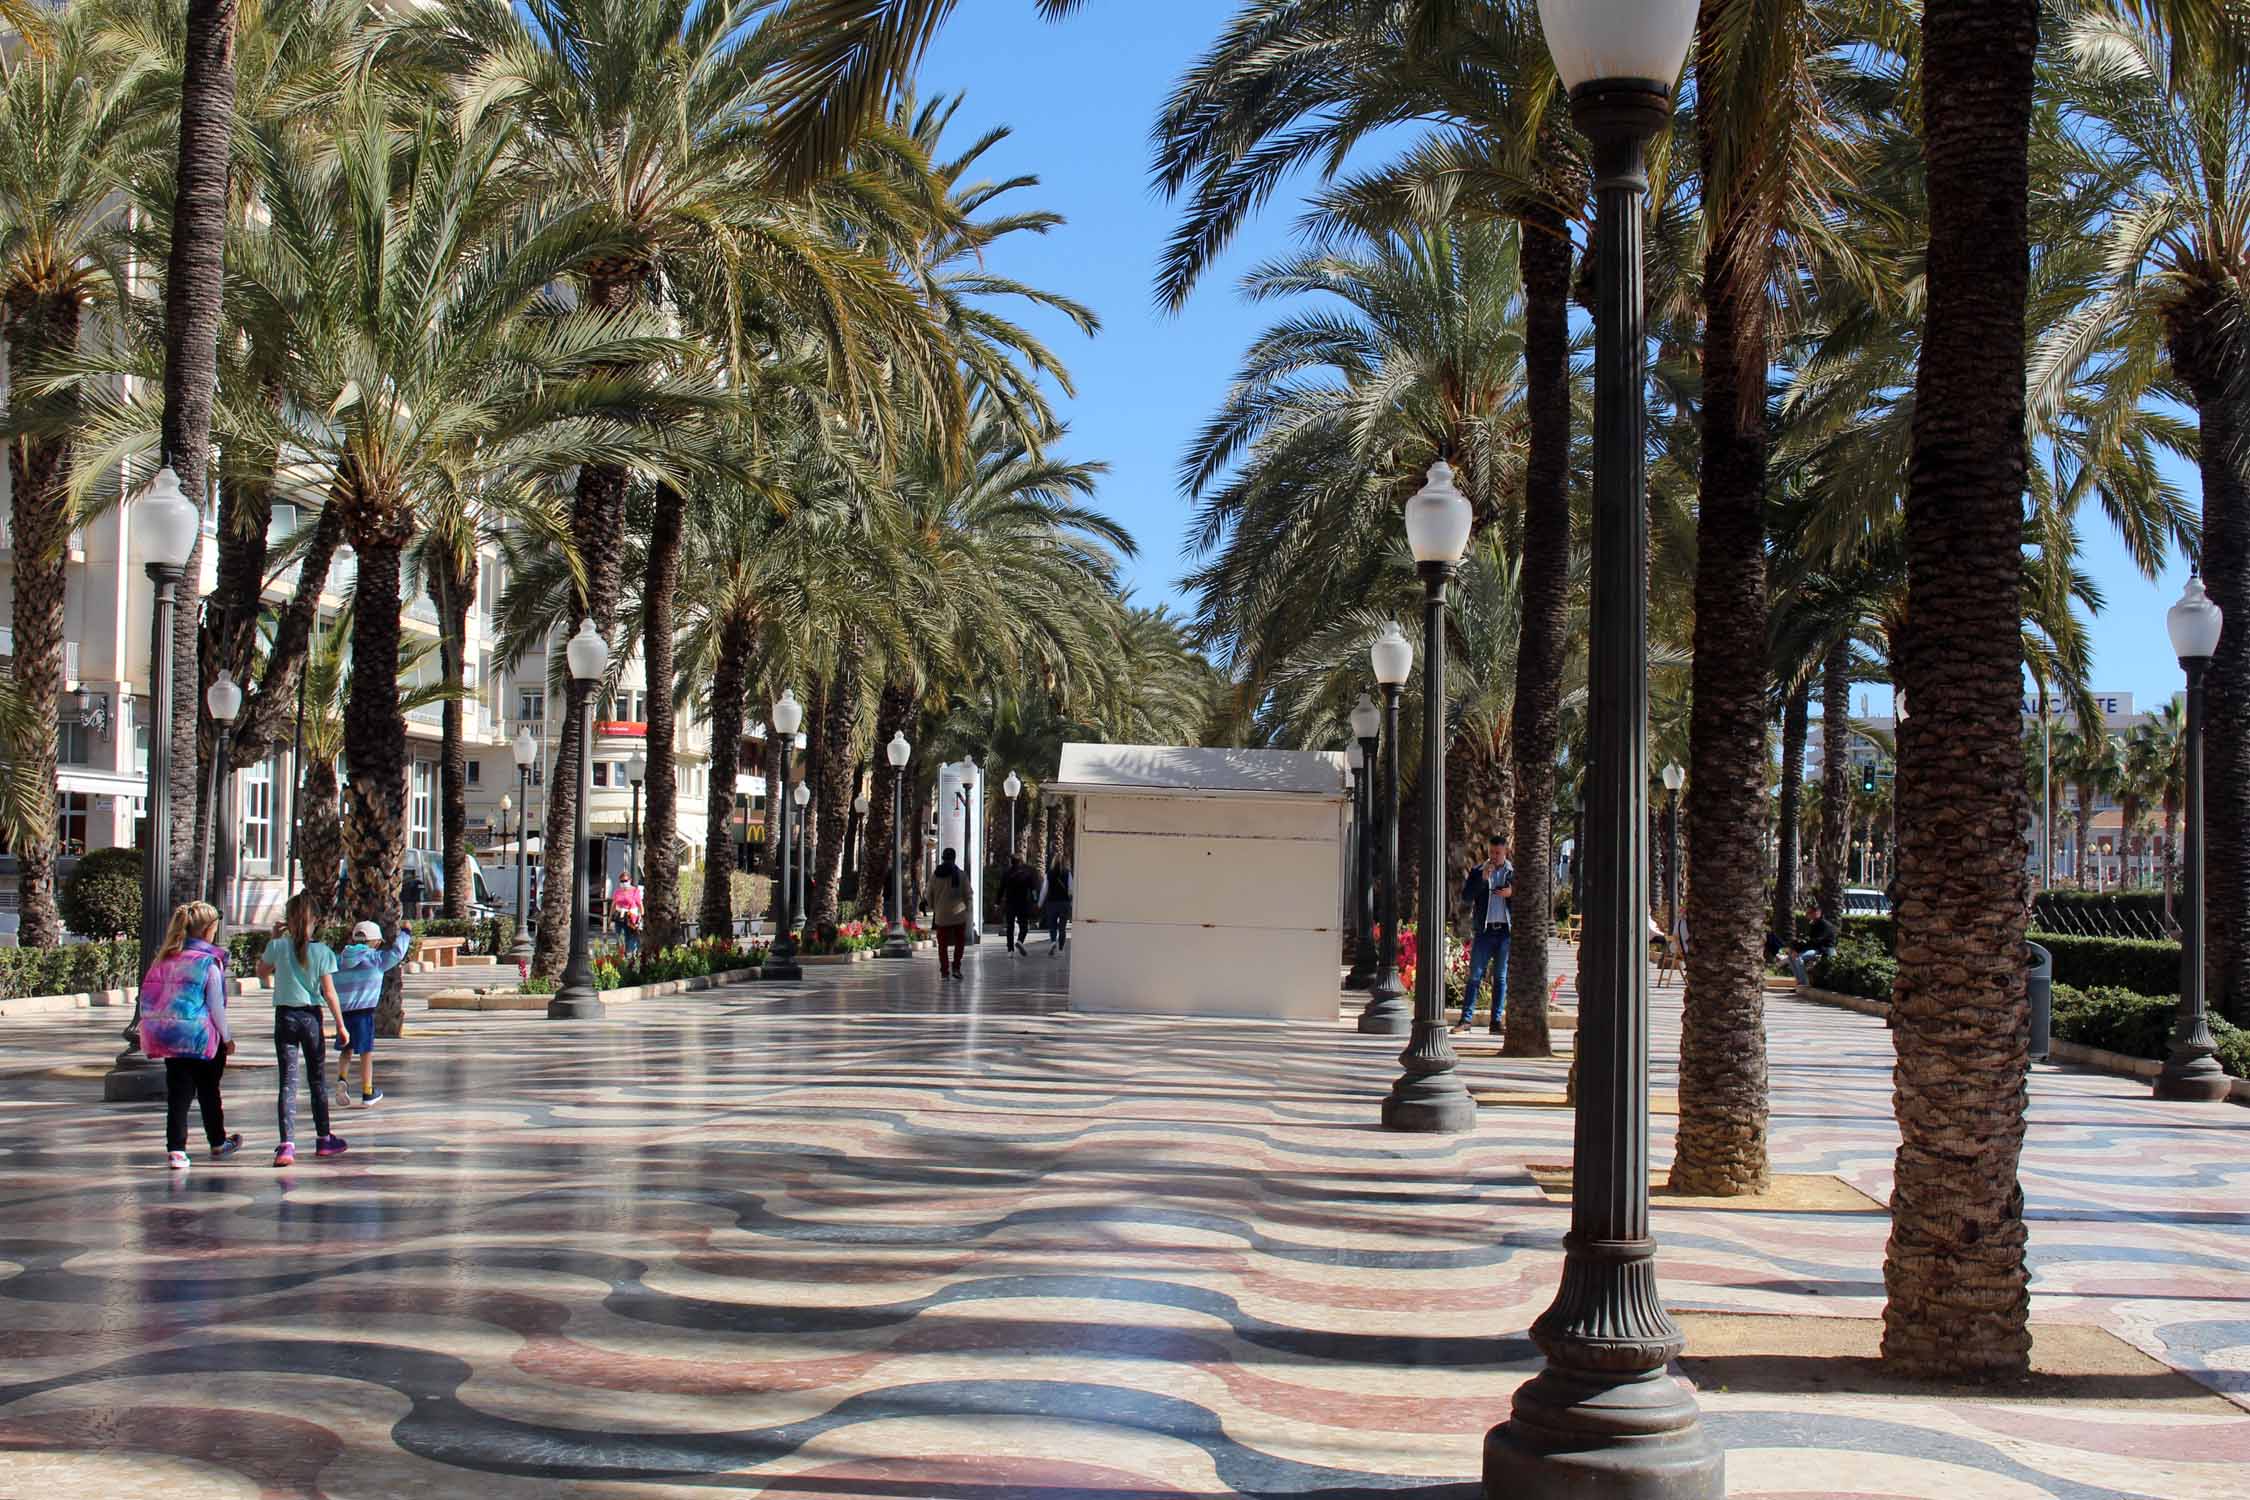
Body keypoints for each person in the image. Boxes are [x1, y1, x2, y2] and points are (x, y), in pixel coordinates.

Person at [139, 901, 243, 1170]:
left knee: (178, 1096)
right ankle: (218, 1142)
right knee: (209, 1091)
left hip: (171, 1037)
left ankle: (176, 1150)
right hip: (202, 1038)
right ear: (209, 929)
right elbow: (216, 1005)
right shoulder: (209, 962)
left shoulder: (164, 958)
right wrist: (227, 1038)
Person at [257, 891, 350, 1166]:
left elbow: (262, 971)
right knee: (316, 1080)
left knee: (287, 1082)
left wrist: (274, 940)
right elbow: (330, 993)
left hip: (284, 1016)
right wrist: (341, 1025)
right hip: (311, 1018)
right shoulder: (322, 952)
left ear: (288, 920)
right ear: (317, 921)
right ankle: (324, 1138)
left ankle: (287, 1146)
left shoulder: (278, 947)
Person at [333, 919, 410, 1108]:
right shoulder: (376, 959)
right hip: (364, 1013)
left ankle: (342, 1079)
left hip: (343, 1014)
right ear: (375, 942)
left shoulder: (339, 960)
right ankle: (368, 1091)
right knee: (366, 1052)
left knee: (346, 1049)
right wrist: (406, 933)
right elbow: (398, 953)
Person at [1456, 835, 1514, 1034]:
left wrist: (1511, 893)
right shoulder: (1479, 871)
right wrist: (1482, 880)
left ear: (1505, 852)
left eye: (1498, 853)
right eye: (1492, 853)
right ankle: (1466, 1019)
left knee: (1500, 977)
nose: (1494, 857)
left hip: (1504, 932)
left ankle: (1496, 1022)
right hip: (1485, 931)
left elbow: (1525, 897)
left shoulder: (1512, 873)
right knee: (1475, 975)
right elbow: (1466, 896)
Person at [928, 847, 971, 978]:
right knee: (959, 942)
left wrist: (935, 907)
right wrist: (967, 909)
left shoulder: (935, 876)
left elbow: (929, 894)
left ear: (942, 857)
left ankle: (944, 972)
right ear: (954, 858)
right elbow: (968, 894)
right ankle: (956, 967)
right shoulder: (961, 875)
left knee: (942, 945)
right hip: (959, 915)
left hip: (941, 915)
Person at [1787, 901, 1840, 986]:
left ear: (1817, 912)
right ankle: (1799, 982)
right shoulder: (1814, 924)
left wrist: (1798, 950)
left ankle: (1804, 984)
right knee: (1791, 956)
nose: (1807, 915)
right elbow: (1809, 940)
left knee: (1798, 958)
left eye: (1809, 913)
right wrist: (1795, 949)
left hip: (1823, 950)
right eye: (1807, 913)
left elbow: (1816, 941)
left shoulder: (1825, 925)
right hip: (1816, 948)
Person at [1000, 856, 1040, 953]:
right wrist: (1035, 900)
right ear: (1020, 862)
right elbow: (1033, 889)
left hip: (1010, 904)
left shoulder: (1006, 873)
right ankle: (1020, 941)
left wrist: (997, 902)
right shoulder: (1026, 874)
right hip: (1023, 904)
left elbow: (1001, 889)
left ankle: (1010, 950)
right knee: (1024, 926)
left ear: (1011, 862)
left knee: (1010, 927)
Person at [1039, 860, 1073, 953]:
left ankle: (1053, 941)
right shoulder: (1067, 873)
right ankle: (1061, 948)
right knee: (1062, 927)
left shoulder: (1049, 874)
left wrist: (1040, 903)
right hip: (1064, 903)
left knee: (1052, 925)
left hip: (1052, 903)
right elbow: (1071, 889)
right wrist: (1071, 902)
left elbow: (1044, 890)